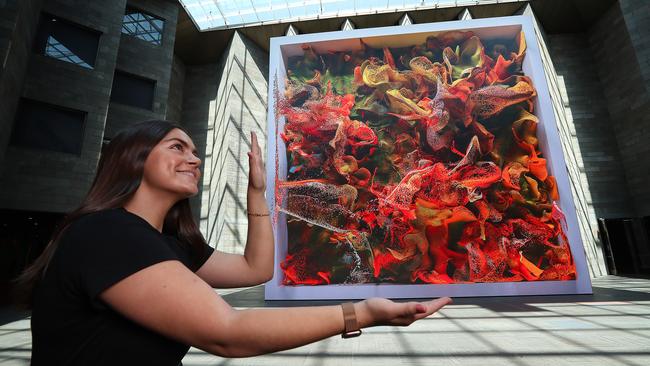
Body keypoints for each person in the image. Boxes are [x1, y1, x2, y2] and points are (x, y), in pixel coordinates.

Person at [15, 120, 452, 365]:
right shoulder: (108, 234)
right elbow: (229, 334)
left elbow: (255, 270)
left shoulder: (167, 245)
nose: (195, 157)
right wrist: (363, 312)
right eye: (177, 146)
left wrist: (256, 193)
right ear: (133, 157)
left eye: (194, 150)